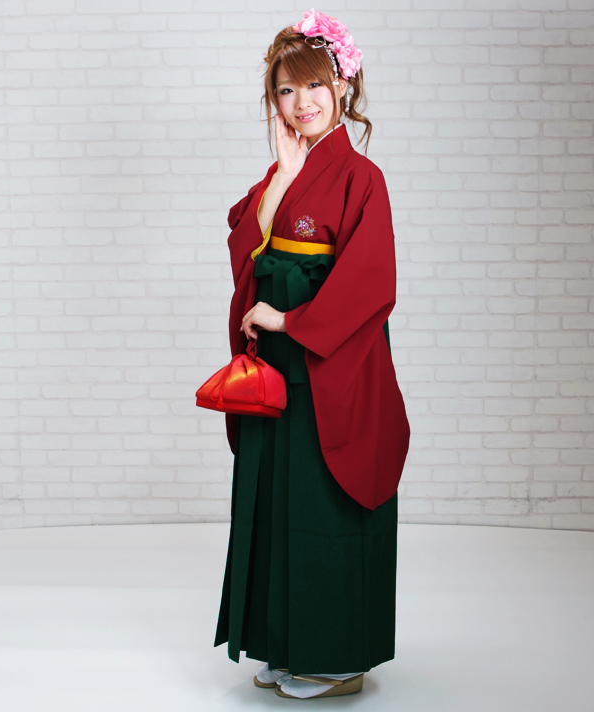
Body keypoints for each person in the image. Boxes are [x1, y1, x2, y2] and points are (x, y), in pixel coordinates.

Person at [213, 8, 410, 700]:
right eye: (286, 90)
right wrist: (279, 185)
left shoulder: (362, 177)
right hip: (278, 365)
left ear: (342, 86)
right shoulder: (284, 170)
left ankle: (335, 658)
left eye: (314, 85)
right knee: (275, 498)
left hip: (332, 363)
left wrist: (290, 315)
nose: (302, 103)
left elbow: (370, 283)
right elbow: (246, 241)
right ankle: (282, 643)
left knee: (322, 501)